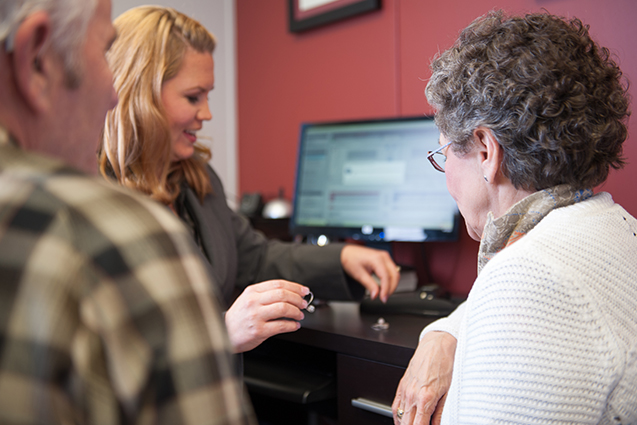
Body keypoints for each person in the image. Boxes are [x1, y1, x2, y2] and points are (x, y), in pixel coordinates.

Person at [0, 0, 255, 423]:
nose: (112, 90)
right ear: (35, 59)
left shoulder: (195, 179)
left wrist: (338, 259)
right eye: (103, 52)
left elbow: (251, 251)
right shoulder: (115, 228)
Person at [99, 5, 401, 354]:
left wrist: (342, 258)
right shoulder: (92, 196)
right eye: (193, 97)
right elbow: (109, 349)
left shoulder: (196, 179)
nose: (207, 114)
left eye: (208, 96)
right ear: (141, 94)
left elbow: (255, 259)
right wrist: (221, 334)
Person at [392, 10, 637, 425]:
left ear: (486, 151)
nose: (445, 172)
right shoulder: (616, 228)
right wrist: (444, 332)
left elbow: (531, 289)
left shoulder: (526, 279)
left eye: (445, 151)